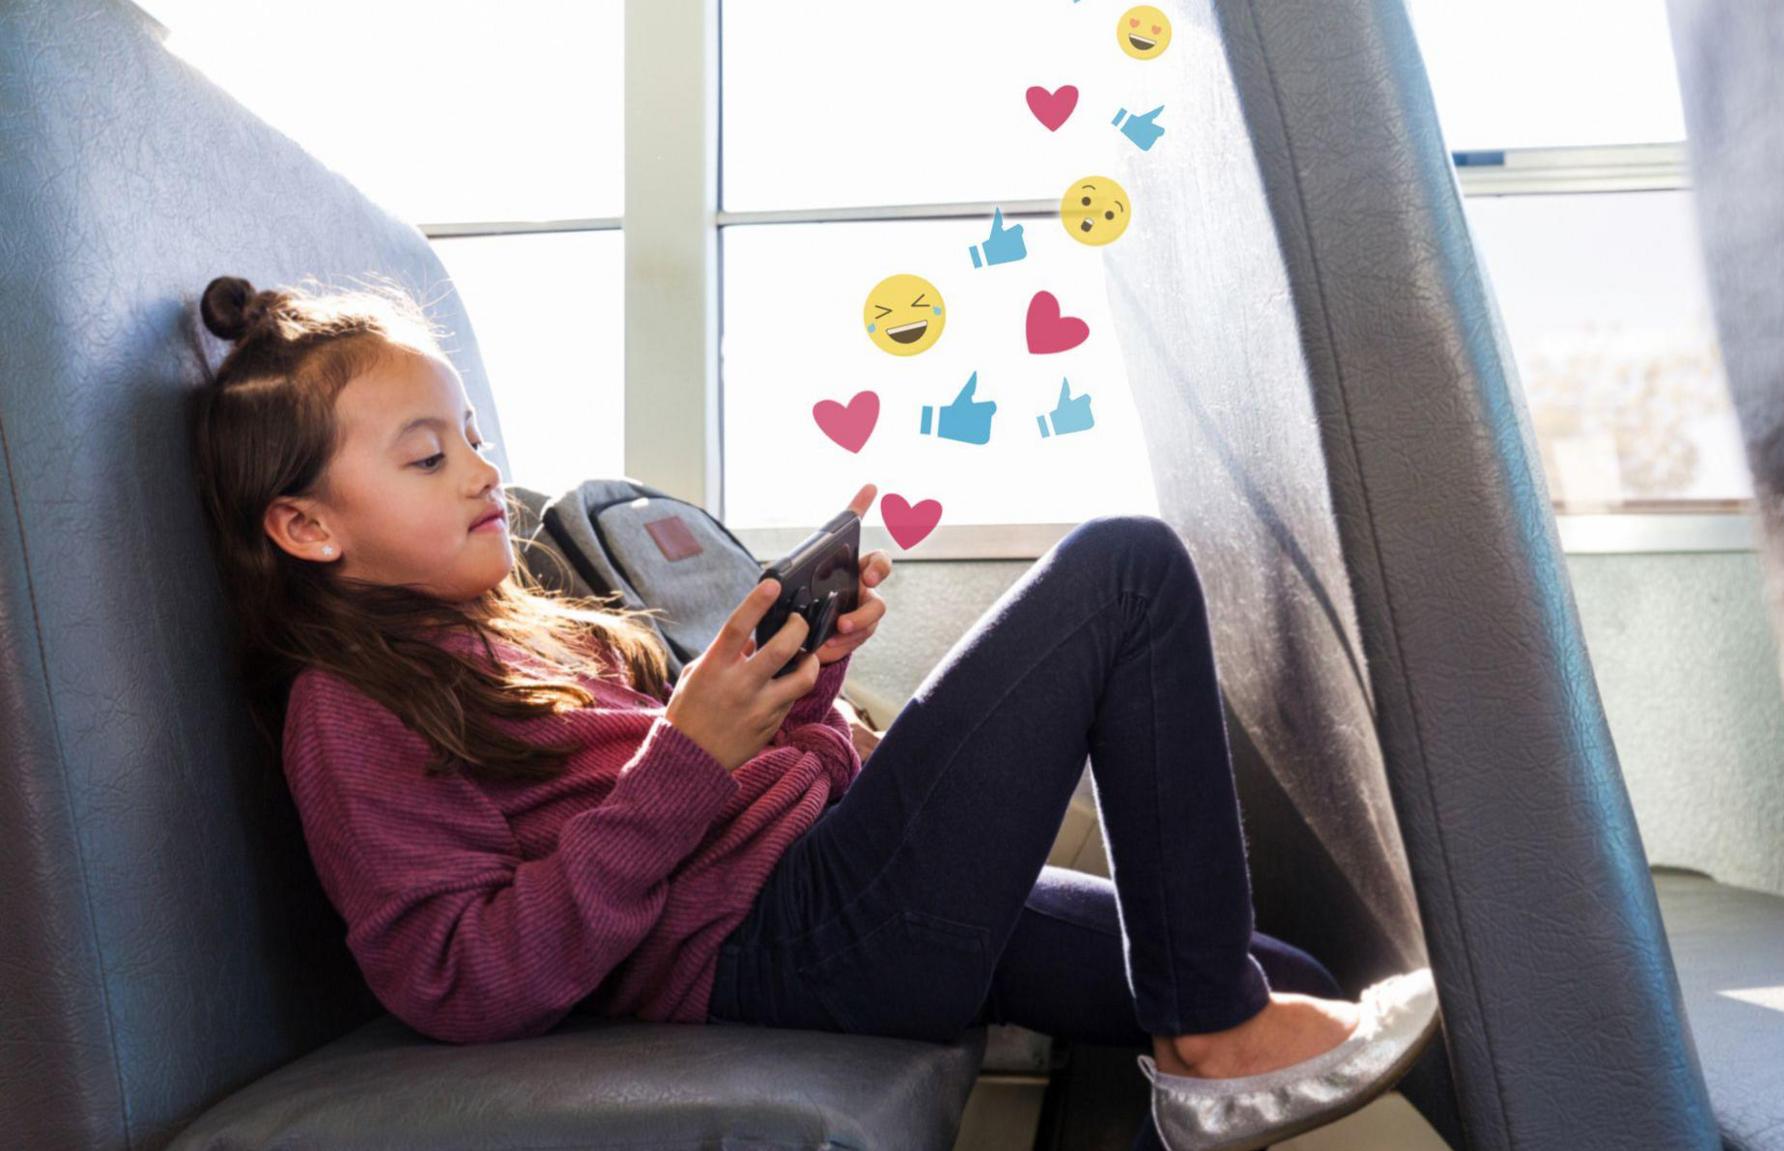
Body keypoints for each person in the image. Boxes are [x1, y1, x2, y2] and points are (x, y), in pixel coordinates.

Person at [191, 273, 1436, 1151]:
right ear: (305, 526)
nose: (477, 471)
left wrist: (807, 681)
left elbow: (745, 784)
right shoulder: (346, 708)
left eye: (469, 437)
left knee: (1280, 978)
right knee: (1121, 571)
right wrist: (688, 754)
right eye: (425, 456)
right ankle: (1212, 1047)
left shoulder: (547, 631)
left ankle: (1211, 1047)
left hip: (822, 881)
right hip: (782, 941)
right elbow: (457, 979)